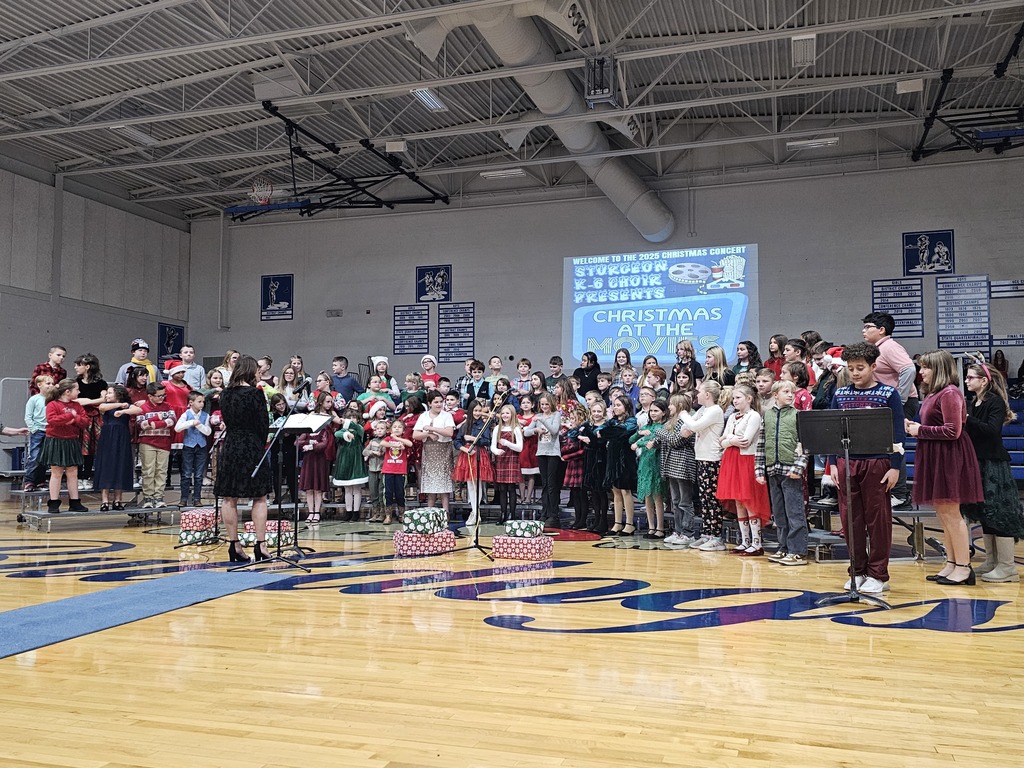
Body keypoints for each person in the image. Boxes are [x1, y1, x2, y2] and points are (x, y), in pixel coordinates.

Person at [828, 342, 905, 594]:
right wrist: (832, 464)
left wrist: (895, 466)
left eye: (860, 368)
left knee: (878, 520)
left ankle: (878, 574)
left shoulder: (889, 394)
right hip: (847, 462)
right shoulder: (840, 395)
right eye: (850, 368)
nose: (855, 373)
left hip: (877, 463)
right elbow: (832, 432)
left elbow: (897, 433)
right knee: (851, 520)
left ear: (873, 367)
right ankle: (857, 570)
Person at [905, 350, 984, 586]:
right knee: (943, 513)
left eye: (925, 367)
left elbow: (953, 431)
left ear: (938, 368)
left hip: (950, 456)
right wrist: (916, 427)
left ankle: (964, 567)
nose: (921, 372)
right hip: (935, 454)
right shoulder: (934, 393)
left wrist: (920, 431)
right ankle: (951, 562)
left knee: (952, 513)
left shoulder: (950, 393)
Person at [960, 363, 1024, 582]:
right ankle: (992, 561)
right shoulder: (973, 402)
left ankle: (1007, 567)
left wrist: (967, 418)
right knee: (984, 511)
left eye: (970, 378)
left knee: (999, 512)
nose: (967, 381)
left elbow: (991, 430)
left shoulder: (995, 402)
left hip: (994, 463)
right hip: (977, 462)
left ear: (984, 381)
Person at [211, 356, 273, 562]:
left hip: (230, 445)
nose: (258, 373)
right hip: (251, 445)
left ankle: (233, 544)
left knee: (229, 497)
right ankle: (260, 544)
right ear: (249, 371)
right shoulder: (255, 393)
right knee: (259, 496)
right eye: (256, 370)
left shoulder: (226, 394)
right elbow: (263, 422)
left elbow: (227, 420)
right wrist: (260, 441)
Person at [862, 311, 919, 509]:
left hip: (904, 402)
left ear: (881, 330)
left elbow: (909, 369)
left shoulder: (889, 347)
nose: (863, 330)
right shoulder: (878, 348)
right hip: (890, 402)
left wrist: (899, 399)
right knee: (886, 445)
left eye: (868, 326)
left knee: (895, 444)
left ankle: (900, 493)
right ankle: (893, 490)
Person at [756, 381, 810, 565]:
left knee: (794, 511)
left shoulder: (797, 415)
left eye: (792, 392)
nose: (790, 395)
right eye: (786, 391)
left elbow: (805, 444)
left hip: (791, 470)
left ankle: (798, 551)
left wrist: (799, 467)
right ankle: (784, 547)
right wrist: (759, 470)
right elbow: (761, 443)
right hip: (773, 469)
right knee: (779, 513)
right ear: (775, 395)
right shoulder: (768, 416)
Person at [716, 384, 770, 555]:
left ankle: (757, 543)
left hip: (747, 459)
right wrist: (731, 440)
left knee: (749, 499)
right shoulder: (732, 417)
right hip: (732, 459)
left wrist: (728, 440)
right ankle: (744, 541)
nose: (734, 401)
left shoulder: (754, 416)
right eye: (733, 398)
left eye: (738, 397)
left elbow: (745, 440)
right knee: (738, 501)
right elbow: (721, 441)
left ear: (749, 398)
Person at [682, 380, 727, 551]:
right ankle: (707, 533)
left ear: (707, 395)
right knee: (704, 500)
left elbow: (692, 426)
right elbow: (685, 431)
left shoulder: (715, 410)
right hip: (701, 457)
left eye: (699, 391)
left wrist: (682, 413)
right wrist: (689, 423)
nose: (696, 394)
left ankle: (716, 537)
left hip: (712, 459)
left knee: (712, 500)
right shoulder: (703, 409)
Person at [40, 379, 91, 514]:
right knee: (56, 472)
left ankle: (75, 502)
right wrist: (70, 416)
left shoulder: (77, 405)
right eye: (77, 390)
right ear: (68, 392)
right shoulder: (53, 404)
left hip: (72, 440)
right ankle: (53, 502)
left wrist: (75, 419)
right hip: (56, 440)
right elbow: (52, 420)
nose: (79, 392)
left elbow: (85, 421)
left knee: (73, 472)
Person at [657, 393, 699, 547]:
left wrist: (659, 431)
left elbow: (675, 441)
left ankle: (688, 533)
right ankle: (678, 530)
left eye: (671, 404)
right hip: (670, 465)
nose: (669, 407)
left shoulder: (686, 422)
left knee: (685, 502)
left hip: (683, 464)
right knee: (675, 501)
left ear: (680, 405)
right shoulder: (670, 422)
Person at [126, 382, 177, 508]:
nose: (162, 398)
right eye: (159, 396)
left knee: (161, 471)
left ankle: (159, 497)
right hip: (147, 442)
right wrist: (159, 418)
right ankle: (148, 498)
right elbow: (141, 425)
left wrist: (154, 423)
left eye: (163, 395)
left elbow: (172, 420)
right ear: (150, 396)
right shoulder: (143, 408)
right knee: (148, 471)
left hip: (164, 443)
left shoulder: (168, 406)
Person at [92, 384, 135, 511]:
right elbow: (102, 407)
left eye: (110, 393)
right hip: (108, 437)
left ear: (118, 394)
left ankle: (118, 500)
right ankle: (105, 501)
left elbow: (138, 410)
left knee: (120, 465)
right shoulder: (107, 406)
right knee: (106, 465)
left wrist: (123, 410)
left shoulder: (127, 405)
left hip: (122, 436)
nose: (107, 395)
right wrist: (120, 406)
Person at [524, 392, 563, 528]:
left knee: (552, 484)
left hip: (553, 453)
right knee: (545, 484)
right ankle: (545, 512)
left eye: (547, 404)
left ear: (551, 404)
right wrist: (535, 429)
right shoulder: (538, 416)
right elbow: (526, 432)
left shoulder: (556, 415)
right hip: (541, 453)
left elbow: (553, 430)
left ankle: (554, 514)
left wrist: (541, 420)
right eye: (542, 404)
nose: (544, 406)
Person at [413, 391, 455, 514]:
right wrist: (428, 434)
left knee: (443, 486)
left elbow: (449, 433)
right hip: (429, 452)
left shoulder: (446, 415)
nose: (439, 404)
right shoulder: (424, 416)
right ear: (429, 403)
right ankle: (429, 514)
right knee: (430, 486)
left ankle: (445, 514)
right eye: (436, 402)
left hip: (443, 451)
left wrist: (432, 429)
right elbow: (416, 434)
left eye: (441, 402)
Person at [631, 398, 668, 538]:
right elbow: (631, 440)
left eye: (656, 411)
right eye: (651, 411)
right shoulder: (647, 426)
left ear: (663, 413)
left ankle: (660, 528)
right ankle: (651, 527)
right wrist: (639, 434)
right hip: (645, 462)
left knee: (657, 496)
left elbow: (653, 440)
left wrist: (639, 444)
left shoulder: (663, 426)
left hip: (657, 462)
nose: (652, 413)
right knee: (647, 495)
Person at [453, 398, 494, 527]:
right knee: (470, 484)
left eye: (479, 411)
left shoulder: (484, 424)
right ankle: (475, 511)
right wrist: (465, 448)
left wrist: (473, 439)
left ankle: (475, 512)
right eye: (475, 411)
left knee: (478, 483)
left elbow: (487, 440)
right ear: (470, 411)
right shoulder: (466, 425)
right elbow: (457, 441)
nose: (477, 413)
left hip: (479, 454)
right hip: (467, 454)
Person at [296, 392, 335, 526]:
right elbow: (298, 442)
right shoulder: (308, 430)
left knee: (318, 488)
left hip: (320, 460)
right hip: (309, 461)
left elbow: (324, 444)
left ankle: (317, 512)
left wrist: (312, 446)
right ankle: (310, 511)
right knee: (309, 488)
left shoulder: (323, 430)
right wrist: (306, 444)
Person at [604, 395, 638, 536]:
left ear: (626, 407)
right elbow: (601, 431)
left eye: (618, 405)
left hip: (625, 458)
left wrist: (610, 432)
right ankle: (618, 522)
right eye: (614, 405)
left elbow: (622, 432)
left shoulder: (632, 421)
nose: (615, 407)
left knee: (625, 490)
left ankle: (629, 523)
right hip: (612, 457)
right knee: (615, 490)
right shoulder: (612, 421)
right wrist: (609, 431)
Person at [174, 390, 211, 507]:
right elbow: (177, 428)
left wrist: (199, 425)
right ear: (191, 402)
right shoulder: (186, 414)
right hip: (188, 446)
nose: (202, 404)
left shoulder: (205, 416)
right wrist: (191, 422)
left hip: (201, 447)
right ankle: (184, 498)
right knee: (186, 474)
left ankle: (197, 498)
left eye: (203, 402)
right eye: (199, 401)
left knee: (199, 475)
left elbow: (208, 431)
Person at [578, 400, 611, 534]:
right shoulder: (587, 425)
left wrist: (590, 439)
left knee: (601, 492)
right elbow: (573, 434)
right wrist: (581, 436)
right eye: (594, 411)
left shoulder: (606, 425)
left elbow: (600, 442)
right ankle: (596, 519)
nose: (596, 414)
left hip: (601, 459)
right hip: (589, 459)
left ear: (603, 412)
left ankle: (603, 520)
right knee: (593, 492)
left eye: (599, 411)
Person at [491, 403, 524, 523]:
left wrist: (507, 444)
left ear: (512, 414)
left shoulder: (516, 428)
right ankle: (503, 513)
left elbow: (520, 448)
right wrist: (496, 451)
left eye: (507, 413)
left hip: (512, 459)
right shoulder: (497, 428)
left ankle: (513, 514)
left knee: (511, 488)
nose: (505, 415)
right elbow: (492, 446)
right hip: (501, 460)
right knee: (502, 488)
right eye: (503, 413)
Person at [331, 413, 367, 522]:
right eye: (349, 418)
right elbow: (337, 434)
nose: (351, 420)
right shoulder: (342, 430)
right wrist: (346, 433)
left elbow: (357, 428)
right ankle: (348, 511)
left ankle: (356, 512)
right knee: (347, 488)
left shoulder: (359, 429)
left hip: (356, 460)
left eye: (354, 418)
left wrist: (346, 422)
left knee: (356, 488)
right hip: (345, 460)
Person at [23, 374, 55, 491]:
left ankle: (41, 481)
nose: (51, 386)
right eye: (48, 383)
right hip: (38, 431)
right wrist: (34, 429)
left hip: (50, 432)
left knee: (45, 458)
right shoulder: (34, 399)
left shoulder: (54, 400)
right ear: (39, 385)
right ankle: (29, 481)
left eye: (52, 383)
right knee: (35, 457)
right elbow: (28, 416)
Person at [381, 420, 413, 524]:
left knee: (400, 493)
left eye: (400, 427)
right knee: (388, 493)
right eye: (394, 427)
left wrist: (398, 439)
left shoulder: (403, 439)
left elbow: (410, 444)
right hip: (388, 470)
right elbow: (382, 443)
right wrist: (394, 444)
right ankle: (388, 515)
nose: (397, 428)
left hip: (400, 471)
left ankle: (402, 514)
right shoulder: (388, 438)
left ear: (403, 430)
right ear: (390, 430)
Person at [363, 420, 389, 522]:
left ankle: (383, 513)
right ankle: (375, 513)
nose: (379, 431)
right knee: (373, 492)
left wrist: (377, 450)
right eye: (377, 429)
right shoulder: (372, 441)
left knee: (381, 491)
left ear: (386, 430)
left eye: (382, 429)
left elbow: (383, 452)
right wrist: (372, 451)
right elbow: (364, 451)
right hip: (372, 468)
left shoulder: (387, 440)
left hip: (382, 469)